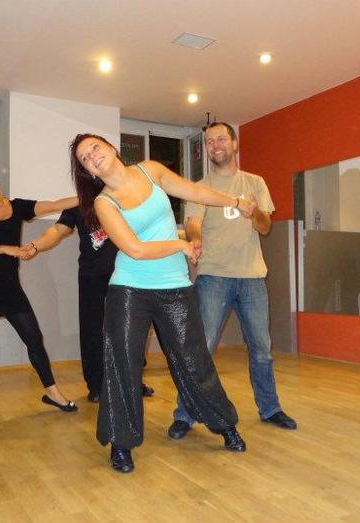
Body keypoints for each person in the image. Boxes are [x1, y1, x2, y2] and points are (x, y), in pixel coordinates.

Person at [71, 132, 248, 473]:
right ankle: (121, 443)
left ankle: (224, 423)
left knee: (194, 360)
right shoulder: (104, 203)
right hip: (129, 289)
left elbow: (194, 191)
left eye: (95, 147)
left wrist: (235, 201)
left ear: (111, 147)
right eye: (84, 158)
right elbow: (135, 249)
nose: (92, 156)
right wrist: (181, 244)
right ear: (88, 171)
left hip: (174, 286)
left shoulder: (150, 170)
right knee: (123, 365)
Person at [168, 122, 297, 442]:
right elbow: (193, 223)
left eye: (221, 139)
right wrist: (195, 239)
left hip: (252, 278)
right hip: (213, 276)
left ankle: (270, 408)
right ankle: (185, 414)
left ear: (234, 143)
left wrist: (254, 214)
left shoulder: (255, 182)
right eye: (209, 142)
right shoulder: (200, 187)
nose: (215, 145)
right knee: (201, 350)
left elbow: (265, 227)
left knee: (262, 350)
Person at [0, 164, 78, 420]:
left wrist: (89, 195)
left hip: (9, 287)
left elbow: (54, 205)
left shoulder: (17, 206)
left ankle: (52, 393)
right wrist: (4, 248)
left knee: (34, 338)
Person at [21, 205, 155, 401]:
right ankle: (96, 386)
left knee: (130, 329)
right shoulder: (78, 202)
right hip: (92, 275)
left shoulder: (122, 195)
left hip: (127, 273)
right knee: (92, 330)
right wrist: (36, 245)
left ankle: (132, 382)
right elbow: (58, 229)